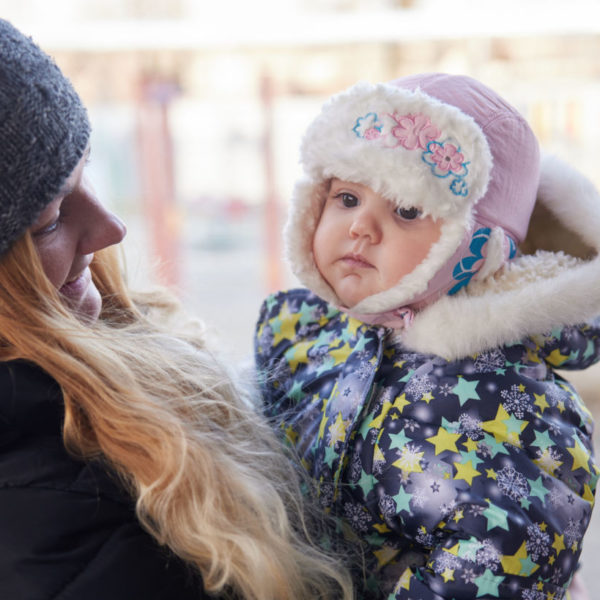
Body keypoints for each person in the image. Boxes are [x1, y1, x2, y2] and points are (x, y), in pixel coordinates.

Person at [0, 19, 355, 600]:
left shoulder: (90, 383)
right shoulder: (45, 516)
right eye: (50, 220)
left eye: (86, 172)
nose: (110, 229)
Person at [254, 74, 599, 599]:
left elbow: (503, 554)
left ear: (478, 251)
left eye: (407, 210)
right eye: (346, 197)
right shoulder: (306, 330)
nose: (360, 228)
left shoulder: (504, 398)